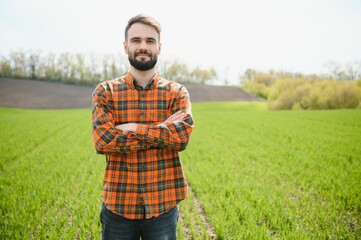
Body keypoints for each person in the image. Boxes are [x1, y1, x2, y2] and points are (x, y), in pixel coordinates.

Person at [92, 13, 194, 240]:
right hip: (119, 206)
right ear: (126, 45)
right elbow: (103, 141)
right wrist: (161, 130)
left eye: (150, 41)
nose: (143, 46)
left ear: (159, 47)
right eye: (136, 40)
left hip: (163, 207)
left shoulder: (176, 92)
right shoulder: (105, 92)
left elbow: (181, 138)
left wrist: (133, 128)